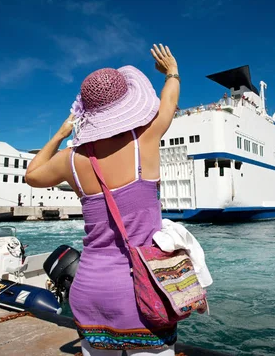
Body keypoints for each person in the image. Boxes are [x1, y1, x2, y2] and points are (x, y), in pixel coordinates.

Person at [26, 43, 180, 356]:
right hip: (141, 293)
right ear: (127, 103)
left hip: (89, 292)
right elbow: (169, 103)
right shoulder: (145, 140)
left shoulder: (71, 159)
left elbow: (32, 174)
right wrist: (172, 73)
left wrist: (60, 133)